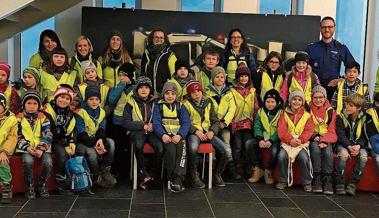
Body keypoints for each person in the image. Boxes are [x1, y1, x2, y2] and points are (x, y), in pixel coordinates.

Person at [183, 80, 227, 188]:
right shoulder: (185, 104)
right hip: (194, 132)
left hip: (208, 132)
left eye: (198, 91)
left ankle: (216, 174)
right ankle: (193, 174)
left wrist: (212, 131)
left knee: (224, 150)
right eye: (193, 92)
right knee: (193, 147)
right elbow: (184, 122)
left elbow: (215, 121)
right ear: (189, 94)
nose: (197, 94)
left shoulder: (208, 102)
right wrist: (196, 131)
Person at [123, 77, 163, 190]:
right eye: (141, 87)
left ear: (150, 90)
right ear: (137, 89)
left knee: (159, 147)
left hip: (152, 131)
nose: (144, 90)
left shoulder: (157, 102)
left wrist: (154, 126)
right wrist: (142, 126)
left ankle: (153, 175)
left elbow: (162, 119)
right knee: (139, 145)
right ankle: (143, 175)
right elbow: (125, 122)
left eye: (146, 87)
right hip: (138, 131)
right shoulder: (130, 102)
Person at [75, 86, 117, 189]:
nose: (94, 102)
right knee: (92, 153)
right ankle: (96, 176)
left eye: (97, 99)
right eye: (91, 99)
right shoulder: (80, 112)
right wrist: (95, 144)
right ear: (86, 100)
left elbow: (101, 129)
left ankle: (105, 169)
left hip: (95, 139)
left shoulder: (101, 112)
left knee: (111, 142)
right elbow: (81, 133)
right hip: (83, 140)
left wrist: (100, 140)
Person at [305, 16, 355, 100]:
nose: (327, 29)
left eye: (330, 27)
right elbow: (301, 66)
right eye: (324, 27)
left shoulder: (341, 48)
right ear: (320, 29)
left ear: (334, 28)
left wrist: (342, 79)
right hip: (314, 89)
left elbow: (353, 67)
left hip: (334, 90)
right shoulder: (311, 48)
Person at [152, 82, 190, 192]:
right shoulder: (158, 107)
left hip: (178, 136)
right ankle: (171, 178)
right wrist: (163, 134)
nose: (170, 96)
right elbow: (156, 123)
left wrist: (180, 135)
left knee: (182, 153)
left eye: (173, 93)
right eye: (167, 93)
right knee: (171, 153)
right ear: (163, 94)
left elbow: (186, 123)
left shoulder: (181, 107)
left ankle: (178, 179)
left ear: (176, 95)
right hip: (166, 137)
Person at [16, 90, 53, 199]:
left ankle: (42, 184)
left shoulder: (43, 118)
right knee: (28, 161)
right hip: (25, 148)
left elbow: (48, 134)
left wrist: (41, 148)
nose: (32, 106)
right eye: (29, 103)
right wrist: (27, 148)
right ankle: (29, 186)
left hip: (42, 148)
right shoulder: (18, 118)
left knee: (48, 162)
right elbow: (17, 136)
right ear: (23, 104)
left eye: (35, 103)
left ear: (39, 105)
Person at [276, 91, 315, 192]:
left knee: (304, 157)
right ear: (289, 101)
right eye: (294, 99)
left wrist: (300, 140)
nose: (296, 102)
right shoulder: (283, 114)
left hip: (301, 143)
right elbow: (281, 130)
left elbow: (309, 130)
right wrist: (290, 140)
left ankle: (307, 182)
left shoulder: (307, 115)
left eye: (299, 100)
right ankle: (283, 180)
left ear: (302, 102)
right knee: (281, 156)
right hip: (287, 143)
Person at [205, 66, 239, 180]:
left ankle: (230, 170)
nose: (220, 79)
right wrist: (214, 123)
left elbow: (232, 109)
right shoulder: (207, 91)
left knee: (227, 146)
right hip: (211, 125)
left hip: (224, 125)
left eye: (222, 77)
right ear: (213, 78)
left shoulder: (229, 92)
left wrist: (224, 122)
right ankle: (211, 170)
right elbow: (206, 109)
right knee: (212, 147)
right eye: (217, 77)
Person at [43, 85, 76, 194]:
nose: (64, 100)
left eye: (67, 99)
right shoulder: (47, 109)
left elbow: (72, 129)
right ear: (56, 97)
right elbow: (52, 130)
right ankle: (58, 182)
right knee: (62, 154)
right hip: (49, 139)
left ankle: (71, 181)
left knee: (73, 152)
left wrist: (72, 142)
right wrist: (65, 143)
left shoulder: (69, 113)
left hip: (62, 139)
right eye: (61, 97)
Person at [230, 64, 259, 179]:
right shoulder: (232, 91)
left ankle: (248, 166)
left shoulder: (252, 91)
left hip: (248, 124)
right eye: (241, 76)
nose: (243, 78)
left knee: (247, 145)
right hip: (236, 123)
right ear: (237, 78)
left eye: (246, 76)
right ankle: (238, 166)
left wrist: (255, 120)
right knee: (237, 146)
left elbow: (255, 107)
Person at [335, 93, 368, 196]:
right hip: (343, 144)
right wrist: (349, 146)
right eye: (347, 104)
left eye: (351, 105)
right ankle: (339, 184)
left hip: (359, 145)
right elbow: (340, 135)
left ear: (358, 108)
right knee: (343, 155)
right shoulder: (341, 116)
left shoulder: (365, 118)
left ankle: (352, 185)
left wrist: (358, 146)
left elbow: (365, 136)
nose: (347, 107)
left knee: (363, 157)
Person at [249, 89, 282, 184]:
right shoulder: (261, 111)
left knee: (274, 151)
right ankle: (258, 169)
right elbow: (257, 126)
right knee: (249, 144)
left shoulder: (281, 113)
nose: (270, 104)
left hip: (275, 139)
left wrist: (271, 141)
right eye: (268, 102)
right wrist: (259, 139)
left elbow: (280, 129)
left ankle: (268, 171)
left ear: (277, 102)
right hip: (262, 138)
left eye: (272, 102)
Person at [309, 86, 337, 195]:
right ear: (312, 98)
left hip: (327, 138)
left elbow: (333, 130)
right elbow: (305, 127)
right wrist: (313, 136)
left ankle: (327, 180)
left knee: (328, 152)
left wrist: (325, 140)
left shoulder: (331, 111)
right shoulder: (307, 109)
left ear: (325, 98)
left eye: (321, 97)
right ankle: (316, 178)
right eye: (315, 97)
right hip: (313, 137)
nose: (318, 100)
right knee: (315, 150)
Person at [141, 28, 177, 94]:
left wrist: (169, 93)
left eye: (161, 38)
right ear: (152, 39)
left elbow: (174, 77)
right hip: (148, 95)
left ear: (164, 40)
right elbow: (143, 74)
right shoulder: (146, 54)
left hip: (164, 95)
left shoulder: (170, 55)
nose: (159, 39)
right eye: (156, 37)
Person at [0, 94, 18, 204]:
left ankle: (7, 187)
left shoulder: (11, 119)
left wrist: (4, 151)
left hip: (5, 149)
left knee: (3, 162)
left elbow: (12, 138)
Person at [365, 92, 379, 176]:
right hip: (375, 148)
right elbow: (371, 137)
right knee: (378, 159)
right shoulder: (370, 113)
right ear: (376, 103)